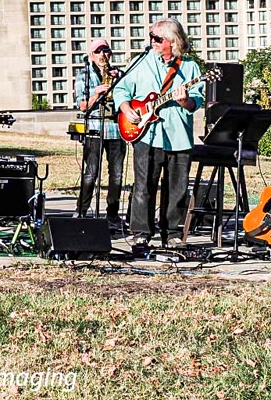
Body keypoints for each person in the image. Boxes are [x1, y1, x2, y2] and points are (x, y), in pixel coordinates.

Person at [112, 18, 204, 248]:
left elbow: (197, 102)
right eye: (151, 37)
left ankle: (172, 233)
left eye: (157, 39)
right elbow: (120, 90)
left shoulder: (190, 67)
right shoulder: (141, 62)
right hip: (146, 134)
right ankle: (141, 232)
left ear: (172, 42)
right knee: (143, 185)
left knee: (177, 188)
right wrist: (126, 109)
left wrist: (184, 101)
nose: (152, 42)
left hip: (178, 136)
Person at [74, 38, 127, 229]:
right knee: (90, 173)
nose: (103, 55)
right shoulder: (84, 75)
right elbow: (81, 106)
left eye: (106, 51)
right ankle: (81, 211)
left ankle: (112, 215)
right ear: (91, 55)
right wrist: (96, 93)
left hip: (116, 129)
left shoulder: (118, 74)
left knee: (117, 175)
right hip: (95, 129)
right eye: (98, 52)